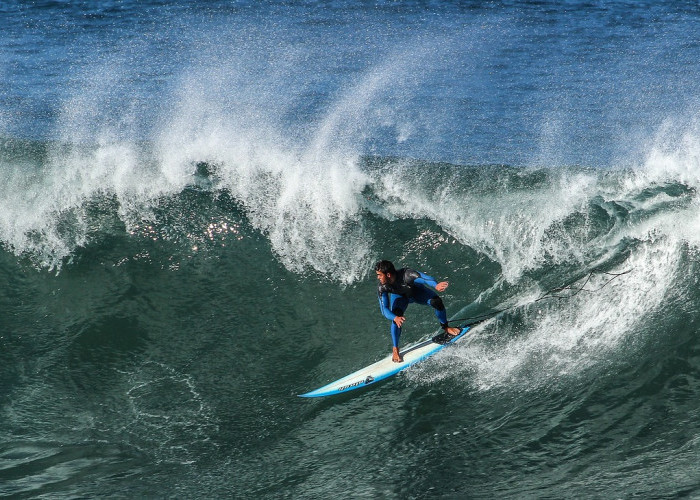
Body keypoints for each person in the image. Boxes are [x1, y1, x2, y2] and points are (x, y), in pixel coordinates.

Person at [374, 260, 461, 363]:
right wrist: (395, 318)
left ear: (388, 274)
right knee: (395, 317)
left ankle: (446, 327)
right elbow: (384, 309)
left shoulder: (407, 274)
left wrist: (435, 285)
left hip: (417, 292)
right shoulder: (382, 287)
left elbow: (425, 278)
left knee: (436, 302)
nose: (378, 278)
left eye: (379, 275)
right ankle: (395, 349)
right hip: (400, 298)